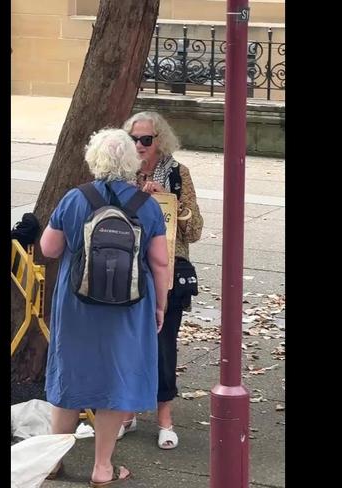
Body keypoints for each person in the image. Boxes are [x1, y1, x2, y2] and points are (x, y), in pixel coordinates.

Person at [40, 128, 170, 486]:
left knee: (70, 375)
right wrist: (160, 306)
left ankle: (54, 461)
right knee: (117, 379)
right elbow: (160, 262)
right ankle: (102, 467)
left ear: (92, 158)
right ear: (133, 161)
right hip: (129, 307)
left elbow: (49, 249)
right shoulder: (147, 206)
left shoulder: (74, 198)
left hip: (77, 304)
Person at [119, 111, 204, 449]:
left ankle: (164, 416)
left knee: (164, 344)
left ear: (159, 141)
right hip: (124, 270)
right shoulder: (120, 174)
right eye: (134, 139)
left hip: (169, 271)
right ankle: (126, 412)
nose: (139, 145)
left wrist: (167, 201)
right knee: (126, 344)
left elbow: (195, 230)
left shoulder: (178, 174)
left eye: (146, 139)